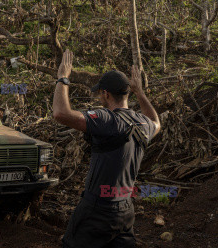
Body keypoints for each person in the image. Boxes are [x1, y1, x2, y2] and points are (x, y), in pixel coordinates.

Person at [52, 49, 161, 248]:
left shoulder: (107, 119)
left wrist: (62, 78)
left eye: (100, 94)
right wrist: (140, 92)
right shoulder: (143, 124)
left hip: (97, 210)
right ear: (127, 93)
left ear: (105, 94)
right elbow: (157, 122)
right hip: (125, 211)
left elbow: (60, 113)